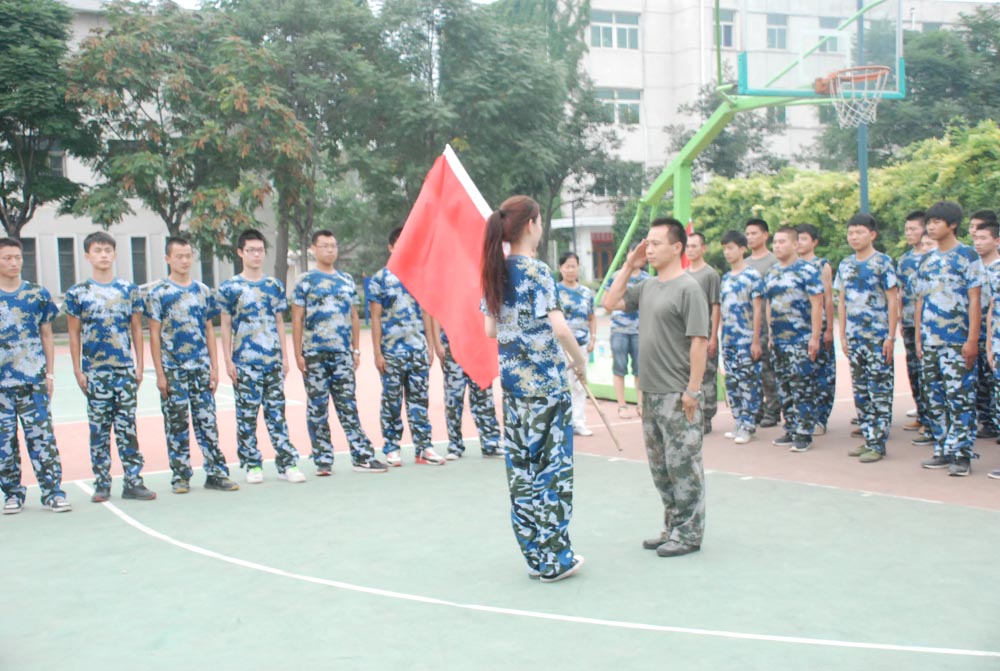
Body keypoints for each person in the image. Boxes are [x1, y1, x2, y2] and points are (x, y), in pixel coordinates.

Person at [481, 195, 587, 582]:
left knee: (522, 471)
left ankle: (534, 554)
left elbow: (490, 329)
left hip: (513, 391)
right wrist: (580, 361)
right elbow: (559, 328)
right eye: (540, 220)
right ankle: (556, 558)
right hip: (546, 386)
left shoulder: (495, 271)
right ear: (531, 224)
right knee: (552, 471)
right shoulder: (539, 272)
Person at [603, 217, 709, 558]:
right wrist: (629, 266)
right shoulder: (647, 286)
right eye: (647, 243)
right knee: (661, 467)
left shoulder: (689, 288)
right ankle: (673, 526)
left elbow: (698, 342)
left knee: (684, 465)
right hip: (649, 392)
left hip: (677, 393)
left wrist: (692, 390)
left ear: (677, 247)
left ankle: (690, 533)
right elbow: (609, 303)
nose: (648, 248)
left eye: (655, 243)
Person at [64, 232, 155, 502]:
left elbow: (137, 329)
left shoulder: (129, 290)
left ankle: (133, 481)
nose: (103, 255)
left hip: (124, 371)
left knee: (128, 428)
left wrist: (139, 366)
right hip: (95, 372)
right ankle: (102, 483)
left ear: (114, 254)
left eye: (107, 250)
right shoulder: (78, 293)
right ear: (87, 256)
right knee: (99, 430)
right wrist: (78, 370)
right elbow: (73, 334)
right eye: (97, 250)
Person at [146, 237, 239, 494]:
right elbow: (154, 334)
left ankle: (216, 473)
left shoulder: (202, 291)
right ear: (168, 259)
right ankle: (180, 475)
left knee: (207, 422)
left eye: (188, 255)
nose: (184, 261)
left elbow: (209, 329)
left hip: (200, 368)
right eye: (179, 256)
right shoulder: (159, 293)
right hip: (173, 370)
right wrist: (160, 373)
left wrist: (214, 367)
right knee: (176, 424)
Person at [291, 231, 387, 475]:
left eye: (333, 245)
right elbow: (297, 318)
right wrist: (298, 354)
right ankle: (323, 459)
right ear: (313, 249)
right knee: (317, 407)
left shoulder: (345, 280)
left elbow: (354, 316)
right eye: (324, 246)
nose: (330, 250)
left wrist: (355, 349)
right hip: (314, 354)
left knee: (347, 405)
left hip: (342, 354)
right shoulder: (305, 281)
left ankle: (362, 456)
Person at [218, 229, 305, 484]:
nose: (256, 255)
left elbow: (280, 322)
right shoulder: (230, 287)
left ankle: (287, 463)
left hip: (271, 361)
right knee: (246, 416)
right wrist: (228, 360)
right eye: (251, 250)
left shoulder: (273, 286)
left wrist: (285, 357)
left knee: (276, 414)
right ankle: (252, 464)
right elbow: (225, 325)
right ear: (240, 253)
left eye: (260, 250)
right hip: (244, 362)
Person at [914, 201, 985, 477]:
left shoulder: (967, 256)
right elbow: (921, 300)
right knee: (934, 398)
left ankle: (962, 454)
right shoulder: (927, 260)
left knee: (960, 398)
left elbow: (974, 299)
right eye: (928, 222)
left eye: (936, 222)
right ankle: (942, 448)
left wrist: (972, 340)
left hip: (957, 341)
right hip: (931, 341)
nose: (930, 227)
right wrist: (919, 337)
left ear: (952, 225)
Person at [0, 238, 71, 514]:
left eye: (17, 257)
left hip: (33, 383)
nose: (13, 262)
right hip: (2, 386)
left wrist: (49, 374)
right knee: (4, 443)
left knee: (42, 438)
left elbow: (46, 335)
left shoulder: (37, 295)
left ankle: (53, 492)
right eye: (7, 258)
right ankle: (12, 494)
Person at [368, 226, 444, 466]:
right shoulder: (380, 279)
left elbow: (427, 312)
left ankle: (424, 447)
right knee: (391, 401)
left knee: (420, 400)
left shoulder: (420, 276)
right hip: (392, 352)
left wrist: (430, 345)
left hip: (417, 350)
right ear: (391, 247)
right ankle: (391, 447)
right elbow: (375, 317)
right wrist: (378, 353)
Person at [834, 214, 899, 463]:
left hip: (877, 338)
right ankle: (868, 437)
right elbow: (842, 301)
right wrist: (843, 335)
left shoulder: (883, 263)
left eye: (859, 232)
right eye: (850, 232)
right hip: (855, 337)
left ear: (872, 234)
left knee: (879, 390)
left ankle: (878, 443)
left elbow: (893, 300)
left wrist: (890, 337)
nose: (854, 237)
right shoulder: (846, 264)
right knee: (861, 392)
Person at [763, 226, 823, 453]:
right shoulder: (772, 272)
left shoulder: (807, 270)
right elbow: (769, 304)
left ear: (795, 245)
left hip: (801, 338)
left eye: (782, 242)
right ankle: (790, 427)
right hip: (779, 339)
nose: (777, 246)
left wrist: (815, 337)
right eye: (775, 242)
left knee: (802, 386)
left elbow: (817, 304)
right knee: (784, 385)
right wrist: (770, 333)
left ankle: (804, 432)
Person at [430, 318, 503, 460]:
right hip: (453, 348)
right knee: (453, 399)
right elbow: (437, 313)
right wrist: (437, 343)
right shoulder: (447, 294)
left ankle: (491, 444)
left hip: (478, 348)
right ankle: (455, 445)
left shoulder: (482, 294)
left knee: (484, 397)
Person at [719, 231, 764, 444]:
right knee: (733, 383)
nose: (727, 252)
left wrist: (756, 340)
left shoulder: (752, 276)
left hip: (746, 340)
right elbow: (721, 310)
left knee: (748, 383)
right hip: (728, 340)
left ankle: (748, 425)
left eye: (731, 248)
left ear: (742, 249)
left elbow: (758, 310)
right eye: (725, 248)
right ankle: (738, 422)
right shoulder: (726, 278)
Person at [796, 224, 836, 435]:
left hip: (817, 329)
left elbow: (827, 300)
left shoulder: (822, 265)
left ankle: (821, 418)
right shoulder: (789, 266)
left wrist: (828, 329)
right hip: (797, 331)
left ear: (814, 242)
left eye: (804, 238)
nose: (800, 243)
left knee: (823, 375)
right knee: (801, 378)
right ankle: (803, 418)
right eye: (798, 239)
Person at [744, 218, 781, 427]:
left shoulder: (773, 262)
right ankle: (756, 409)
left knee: (769, 370)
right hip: (748, 326)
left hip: (768, 325)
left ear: (765, 235)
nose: (750, 237)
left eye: (754, 233)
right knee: (752, 372)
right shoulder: (746, 264)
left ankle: (773, 409)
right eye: (747, 234)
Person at [896, 211, 929, 439]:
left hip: (930, 324)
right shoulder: (905, 259)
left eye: (913, 229)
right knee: (914, 370)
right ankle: (921, 412)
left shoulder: (932, 256)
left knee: (929, 372)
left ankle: (931, 418)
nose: (909, 233)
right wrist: (899, 318)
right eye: (906, 229)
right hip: (909, 322)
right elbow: (899, 291)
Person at [556, 251, 597, 437]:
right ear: (561, 268)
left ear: (578, 267)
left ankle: (579, 421)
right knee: (562, 383)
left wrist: (593, 338)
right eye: (567, 266)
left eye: (574, 266)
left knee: (580, 384)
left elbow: (592, 317)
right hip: (561, 347)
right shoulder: (555, 291)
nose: (571, 270)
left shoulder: (586, 292)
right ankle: (562, 422)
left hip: (581, 344)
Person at [603, 251, 647, 418]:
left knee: (640, 369)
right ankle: (622, 405)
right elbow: (606, 302)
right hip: (619, 330)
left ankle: (641, 404)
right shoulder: (617, 276)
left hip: (639, 330)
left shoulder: (646, 278)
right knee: (619, 368)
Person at [685, 232, 721, 434]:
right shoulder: (682, 273)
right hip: (686, 336)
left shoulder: (710, 275)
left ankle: (706, 416)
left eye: (694, 246)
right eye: (688, 246)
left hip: (704, 334)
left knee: (707, 376)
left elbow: (715, 306)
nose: (690, 250)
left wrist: (713, 335)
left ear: (703, 248)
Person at [971, 216, 1000, 440]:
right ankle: (988, 422)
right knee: (982, 385)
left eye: (983, 238)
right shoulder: (973, 267)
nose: (978, 242)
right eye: (976, 238)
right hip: (981, 335)